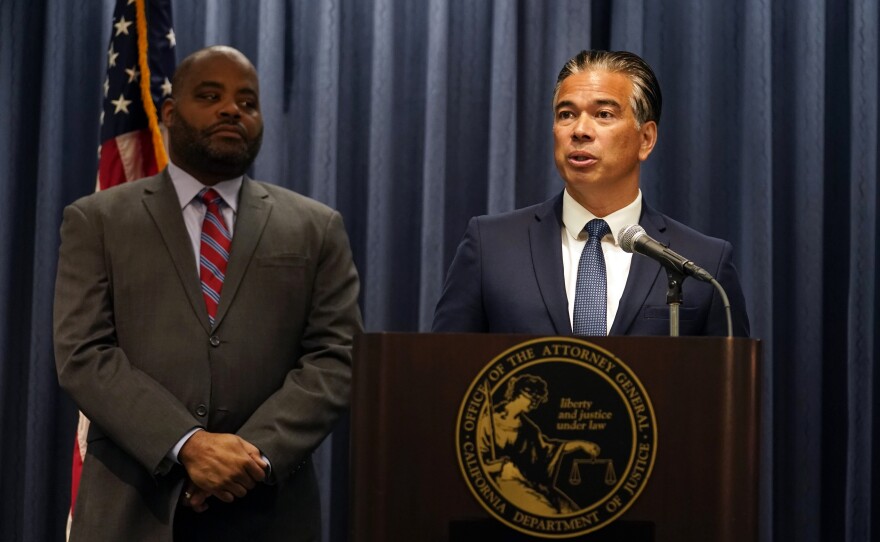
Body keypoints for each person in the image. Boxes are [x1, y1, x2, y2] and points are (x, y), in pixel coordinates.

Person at [54, 45, 363, 541]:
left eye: (247, 102)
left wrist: (251, 455)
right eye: (211, 95)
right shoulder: (97, 220)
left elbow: (336, 358)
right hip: (132, 509)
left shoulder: (316, 228)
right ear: (171, 113)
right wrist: (188, 444)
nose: (231, 109)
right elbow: (83, 354)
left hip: (267, 510)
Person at [432, 50, 749, 337]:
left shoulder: (702, 263)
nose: (579, 130)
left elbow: (728, 395)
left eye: (603, 114)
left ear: (646, 139)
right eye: (566, 114)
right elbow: (444, 372)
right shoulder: (491, 246)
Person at [478, 375, 600, 516]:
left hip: (531, 482)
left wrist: (580, 444)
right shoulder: (488, 422)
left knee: (573, 512)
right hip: (506, 484)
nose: (536, 403)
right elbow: (476, 465)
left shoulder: (529, 429)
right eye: (533, 397)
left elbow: (549, 450)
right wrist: (501, 466)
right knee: (550, 513)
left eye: (538, 399)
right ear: (520, 393)